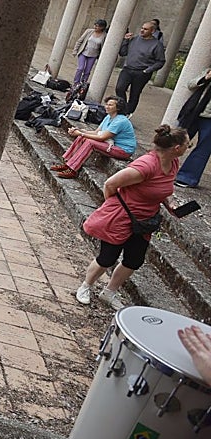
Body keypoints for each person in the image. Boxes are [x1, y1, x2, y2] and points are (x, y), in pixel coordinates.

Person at [74, 124, 190, 309]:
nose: (187, 148)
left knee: (134, 260)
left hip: (144, 221)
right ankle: (85, 286)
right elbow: (110, 184)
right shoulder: (146, 165)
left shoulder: (173, 163)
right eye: (187, 145)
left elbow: (162, 188)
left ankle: (109, 292)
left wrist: (170, 203)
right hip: (122, 218)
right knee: (107, 257)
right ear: (177, 148)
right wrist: (114, 206)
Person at [51, 95, 136, 178]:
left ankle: (73, 169)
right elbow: (96, 132)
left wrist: (80, 133)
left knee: (90, 142)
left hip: (123, 150)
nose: (106, 107)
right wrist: (80, 131)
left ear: (118, 108)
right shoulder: (108, 117)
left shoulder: (121, 121)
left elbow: (102, 137)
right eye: (106, 104)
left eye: (110, 105)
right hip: (111, 144)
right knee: (83, 138)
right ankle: (67, 163)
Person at [115, 18, 165, 116]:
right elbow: (123, 53)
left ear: (152, 31)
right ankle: (124, 109)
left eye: (146, 29)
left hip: (142, 72)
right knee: (119, 88)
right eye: (142, 28)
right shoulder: (134, 39)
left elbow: (161, 61)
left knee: (135, 93)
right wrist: (125, 40)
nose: (142, 30)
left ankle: (128, 112)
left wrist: (147, 70)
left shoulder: (157, 45)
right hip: (128, 69)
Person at [175, 67, 211, 188]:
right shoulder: (207, 70)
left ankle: (187, 177)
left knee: (204, 148)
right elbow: (191, 84)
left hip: (209, 117)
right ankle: (159, 167)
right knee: (176, 139)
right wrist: (205, 77)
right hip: (194, 111)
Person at [72, 18, 108, 88]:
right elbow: (80, 41)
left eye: (97, 26)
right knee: (80, 68)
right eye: (95, 25)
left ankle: (83, 84)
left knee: (87, 71)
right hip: (83, 52)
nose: (95, 27)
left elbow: (104, 47)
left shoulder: (104, 35)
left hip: (93, 55)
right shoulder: (89, 31)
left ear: (102, 27)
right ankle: (76, 83)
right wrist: (75, 50)